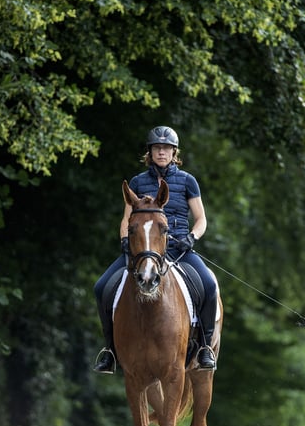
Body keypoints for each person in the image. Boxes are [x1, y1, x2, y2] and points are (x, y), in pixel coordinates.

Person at [92, 125, 218, 374]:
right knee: (101, 287)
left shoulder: (187, 181)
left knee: (210, 285)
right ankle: (110, 351)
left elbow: (201, 218)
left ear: (174, 152)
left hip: (179, 248)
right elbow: (126, 219)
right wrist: (125, 241)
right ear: (150, 152)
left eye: (166, 148)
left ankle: (204, 347)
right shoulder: (138, 182)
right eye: (157, 148)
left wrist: (192, 237)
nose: (162, 152)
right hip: (141, 251)